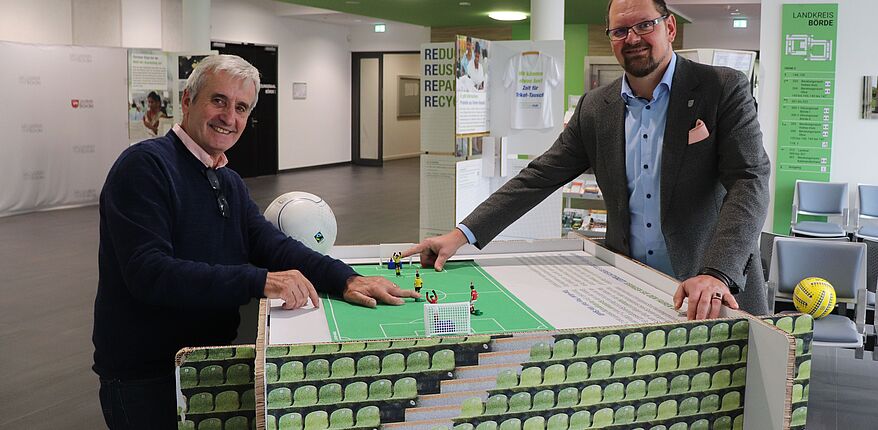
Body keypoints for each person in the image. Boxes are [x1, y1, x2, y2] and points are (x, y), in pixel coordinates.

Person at [93, 55, 418, 429]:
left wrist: (345, 278)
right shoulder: (145, 166)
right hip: (148, 376)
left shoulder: (226, 180)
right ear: (187, 100)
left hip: (209, 362)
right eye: (218, 101)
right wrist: (259, 279)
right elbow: (149, 273)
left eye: (241, 107)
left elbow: (273, 244)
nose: (229, 117)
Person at [402, 0, 770, 321]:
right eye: (620, 30)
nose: (633, 38)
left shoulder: (722, 88)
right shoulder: (596, 107)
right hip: (633, 286)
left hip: (713, 291)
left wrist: (717, 273)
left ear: (669, 27)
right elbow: (539, 176)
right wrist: (460, 234)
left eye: (645, 24)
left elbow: (749, 180)